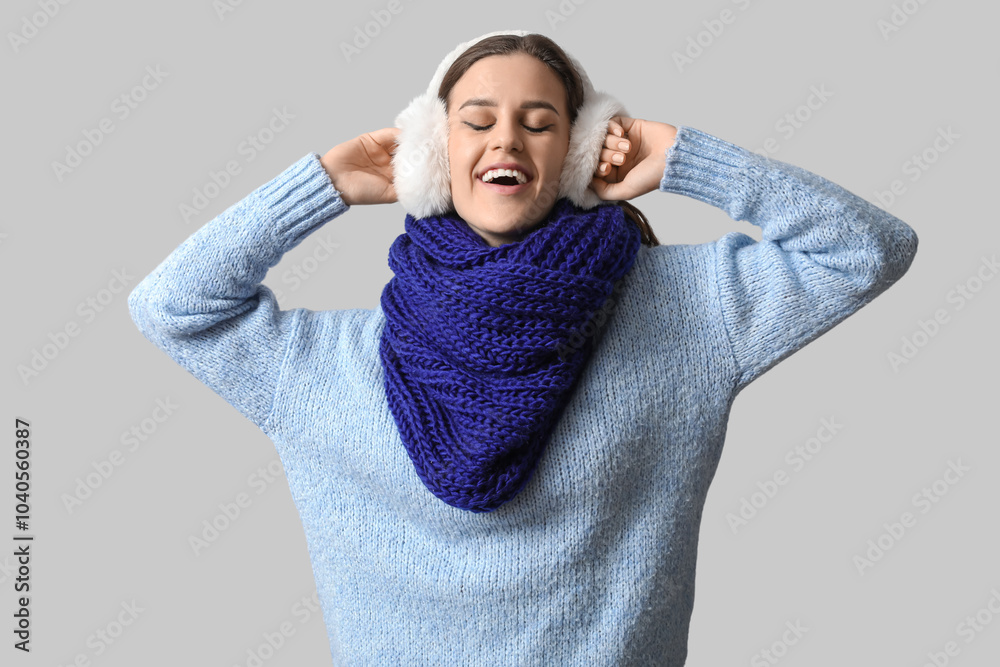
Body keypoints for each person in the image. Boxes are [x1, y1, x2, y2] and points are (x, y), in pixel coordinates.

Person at [128, 29, 918, 667]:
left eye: (540, 123)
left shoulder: (687, 312)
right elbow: (170, 306)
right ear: (432, 154)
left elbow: (868, 250)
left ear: (577, 153)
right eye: (475, 120)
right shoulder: (328, 366)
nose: (506, 138)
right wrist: (325, 183)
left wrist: (680, 156)